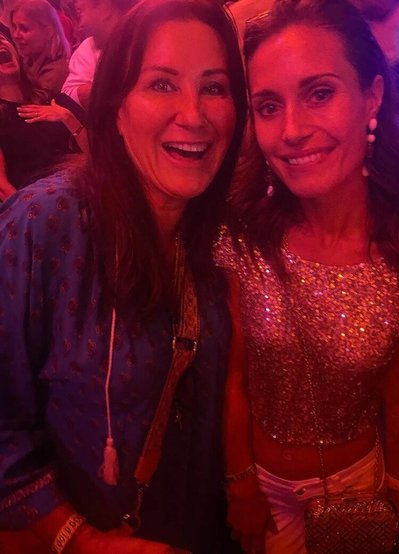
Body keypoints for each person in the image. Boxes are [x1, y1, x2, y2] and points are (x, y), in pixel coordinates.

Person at [0, 1, 247, 554]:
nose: (194, 116)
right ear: (114, 106)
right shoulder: (44, 227)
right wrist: (76, 537)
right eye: (162, 84)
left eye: (214, 88)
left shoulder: (226, 234)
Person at [215, 1, 399, 552]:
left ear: (372, 96)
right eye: (268, 106)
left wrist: (398, 492)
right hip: (261, 495)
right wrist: (239, 483)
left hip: (359, 489)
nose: (292, 130)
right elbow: (234, 377)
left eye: (320, 93)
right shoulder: (242, 236)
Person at [0, 30, 85, 195]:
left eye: (2, 38)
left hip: (88, 189)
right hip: (39, 203)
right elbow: (2, 187)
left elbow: (97, 154)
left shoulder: (56, 100)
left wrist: (68, 118)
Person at [61, 0, 138, 109]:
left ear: (104, 8)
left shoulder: (147, 43)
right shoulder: (88, 47)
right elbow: (67, 96)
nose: (81, 24)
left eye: (80, 12)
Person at [9, 0, 70, 104]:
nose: (16, 35)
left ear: (48, 32)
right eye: (15, 27)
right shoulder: (27, 61)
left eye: (24, 28)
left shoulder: (55, 73)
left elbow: (24, 109)